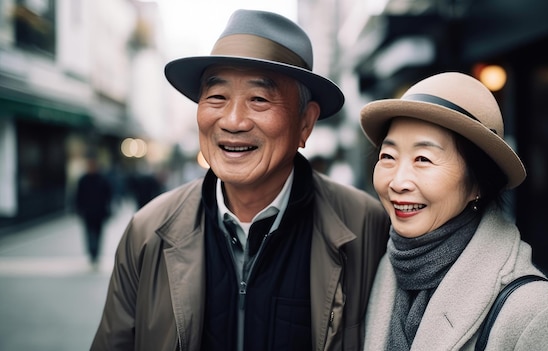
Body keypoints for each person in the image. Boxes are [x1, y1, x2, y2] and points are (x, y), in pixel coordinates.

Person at [90, 9, 390, 351]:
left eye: (259, 99)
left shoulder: (366, 226)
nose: (233, 121)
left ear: (305, 123)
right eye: (217, 97)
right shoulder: (148, 231)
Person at [359, 72, 548, 350]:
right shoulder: (389, 264)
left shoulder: (537, 315)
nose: (397, 182)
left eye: (423, 159)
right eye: (388, 156)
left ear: (478, 183)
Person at [75, 156, 113, 268]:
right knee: (89, 233)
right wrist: (79, 209)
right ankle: (92, 252)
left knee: (98, 233)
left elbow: (108, 195)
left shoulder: (102, 179)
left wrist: (108, 208)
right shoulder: (83, 180)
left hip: (99, 212)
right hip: (88, 212)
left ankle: (96, 253)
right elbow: (78, 196)